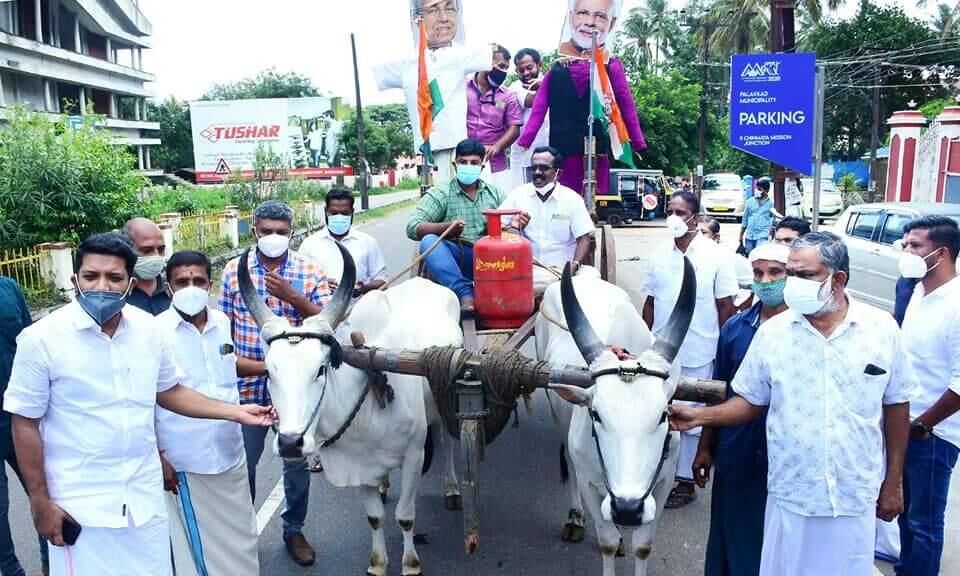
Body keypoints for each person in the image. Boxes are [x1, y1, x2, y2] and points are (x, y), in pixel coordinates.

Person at [4, 233, 274, 576]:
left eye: (114, 278)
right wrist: (39, 501)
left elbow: (169, 391)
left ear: (130, 284)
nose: (102, 285)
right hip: (82, 506)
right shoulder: (42, 339)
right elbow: (24, 423)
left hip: (145, 503)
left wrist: (235, 411)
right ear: (75, 280)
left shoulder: (149, 331)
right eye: (91, 276)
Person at [670, 231, 914, 576]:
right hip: (792, 494)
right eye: (793, 274)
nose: (793, 284)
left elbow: (897, 406)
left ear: (838, 278)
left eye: (805, 276)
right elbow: (750, 401)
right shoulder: (773, 334)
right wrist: (699, 417)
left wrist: (894, 482)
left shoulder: (881, 330)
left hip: (853, 495)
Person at [218, 201, 331, 566]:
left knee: (296, 466)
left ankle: (293, 529)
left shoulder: (309, 271)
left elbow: (331, 323)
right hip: (248, 388)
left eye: (281, 232)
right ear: (254, 231)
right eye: (266, 231)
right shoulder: (233, 274)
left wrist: (293, 297)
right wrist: (254, 368)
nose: (274, 237)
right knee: (243, 466)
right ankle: (243, 534)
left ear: (292, 233)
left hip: (297, 392)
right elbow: (221, 335)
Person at [157, 251, 259, 576]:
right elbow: (148, 399)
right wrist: (160, 458)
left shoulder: (222, 323)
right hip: (188, 461)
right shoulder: (154, 333)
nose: (191, 287)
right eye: (182, 282)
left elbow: (228, 366)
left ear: (210, 284)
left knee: (243, 539)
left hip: (231, 453)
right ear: (168, 287)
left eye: (198, 281)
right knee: (200, 556)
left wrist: (272, 367)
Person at [694, 243, 791, 576]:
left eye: (775, 272)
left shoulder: (803, 330)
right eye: (758, 273)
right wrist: (705, 447)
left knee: (776, 541)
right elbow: (718, 392)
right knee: (731, 537)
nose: (765, 280)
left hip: (785, 456)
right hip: (737, 450)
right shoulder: (735, 329)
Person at [641, 191, 738, 508]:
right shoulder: (658, 255)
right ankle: (656, 472)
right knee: (658, 410)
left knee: (693, 415)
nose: (673, 217)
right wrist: (644, 341)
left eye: (680, 212)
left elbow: (726, 305)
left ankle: (684, 481)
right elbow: (651, 302)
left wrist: (724, 348)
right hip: (661, 352)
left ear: (695, 218)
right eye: (670, 210)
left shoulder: (716, 256)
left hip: (700, 346)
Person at [517, 0, 646, 197]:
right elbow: (627, 106)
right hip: (573, 149)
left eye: (600, 16)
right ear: (571, 18)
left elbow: (538, 112)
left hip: (581, 147)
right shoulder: (562, 68)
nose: (590, 22)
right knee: (581, 197)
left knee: (573, 197)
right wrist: (638, 142)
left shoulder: (605, 67)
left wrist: (525, 141)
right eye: (583, 13)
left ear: (611, 23)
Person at [895, 216, 960, 576]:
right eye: (904, 245)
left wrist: (923, 423)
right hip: (907, 424)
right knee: (904, 513)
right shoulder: (919, 291)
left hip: (933, 434)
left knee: (924, 523)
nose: (907, 252)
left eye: (915, 246)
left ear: (942, 253)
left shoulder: (956, 304)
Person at [375, 0, 491, 185]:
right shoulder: (404, 63)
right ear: (416, 16)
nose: (444, 18)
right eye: (434, 10)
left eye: (450, 8)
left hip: (460, 151)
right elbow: (374, 74)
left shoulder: (463, 55)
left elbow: (498, 59)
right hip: (427, 152)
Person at [406, 138, 505, 313]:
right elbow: (413, 227)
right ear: (455, 164)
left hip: (492, 261)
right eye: (463, 162)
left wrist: (511, 225)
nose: (468, 166)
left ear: (482, 165)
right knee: (429, 241)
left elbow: (510, 226)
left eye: (474, 163)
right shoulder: (441, 193)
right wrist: (445, 228)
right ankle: (464, 292)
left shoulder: (496, 194)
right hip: (458, 258)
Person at [0, 277, 48, 576]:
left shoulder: (8, 287)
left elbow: (30, 344)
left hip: (20, 414)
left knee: (44, 488)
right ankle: (10, 570)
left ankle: (52, 561)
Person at [498, 146, 594, 292]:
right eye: (534, 168)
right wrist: (513, 227)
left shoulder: (572, 199)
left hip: (564, 270)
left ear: (558, 173)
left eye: (544, 168)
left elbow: (584, 238)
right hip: (528, 269)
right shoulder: (518, 195)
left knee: (592, 279)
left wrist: (573, 267)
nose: (537, 173)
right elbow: (497, 229)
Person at [300, 187, 388, 297]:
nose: (339, 217)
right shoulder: (310, 244)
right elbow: (298, 281)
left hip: (358, 309)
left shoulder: (367, 242)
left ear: (352, 212)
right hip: (320, 310)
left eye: (344, 213)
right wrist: (321, 285)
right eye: (334, 213)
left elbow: (382, 280)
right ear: (326, 211)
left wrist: (363, 288)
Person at [467, 44, 522, 193]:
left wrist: (495, 148)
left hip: (495, 163)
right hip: (464, 162)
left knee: (499, 209)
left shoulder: (508, 96)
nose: (503, 72)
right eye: (501, 66)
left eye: (506, 68)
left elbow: (514, 128)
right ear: (485, 62)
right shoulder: (461, 88)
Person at [508, 48, 549, 189]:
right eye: (521, 70)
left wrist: (545, 84)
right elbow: (531, 101)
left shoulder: (550, 81)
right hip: (525, 156)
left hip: (550, 155)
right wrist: (545, 87)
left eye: (529, 68)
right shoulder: (515, 87)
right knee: (523, 199)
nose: (526, 73)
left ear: (539, 64)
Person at [123, 217, 171, 315]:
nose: (156, 256)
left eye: (161, 249)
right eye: (147, 250)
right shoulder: (118, 296)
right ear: (126, 250)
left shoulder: (172, 291)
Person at [740, 178, 781, 253]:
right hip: (750, 235)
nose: (758, 191)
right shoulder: (750, 202)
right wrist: (741, 235)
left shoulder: (771, 204)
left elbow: (775, 220)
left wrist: (772, 235)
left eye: (760, 189)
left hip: (763, 234)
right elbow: (745, 219)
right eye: (757, 188)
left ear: (766, 190)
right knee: (749, 255)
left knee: (759, 254)